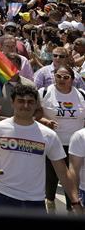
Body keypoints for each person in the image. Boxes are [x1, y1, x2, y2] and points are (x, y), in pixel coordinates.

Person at [0, 83, 84, 213]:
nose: (25, 105)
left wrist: (75, 201)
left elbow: (62, 171)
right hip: (2, 195)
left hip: (35, 200)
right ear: (12, 103)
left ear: (36, 105)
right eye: (21, 101)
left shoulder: (49, 135)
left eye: (30, 102)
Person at [38, 64, 85, 211]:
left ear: (72, 79)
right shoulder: (44, 92)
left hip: (75, 147)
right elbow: (33, 114)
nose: (61, 80)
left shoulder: (82, 94)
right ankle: (50, 210)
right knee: (51, 180)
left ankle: (73, 211)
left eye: (66, 77)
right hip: (52, 143)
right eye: (58, 76)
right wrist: (45, 121)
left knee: (71, 180)